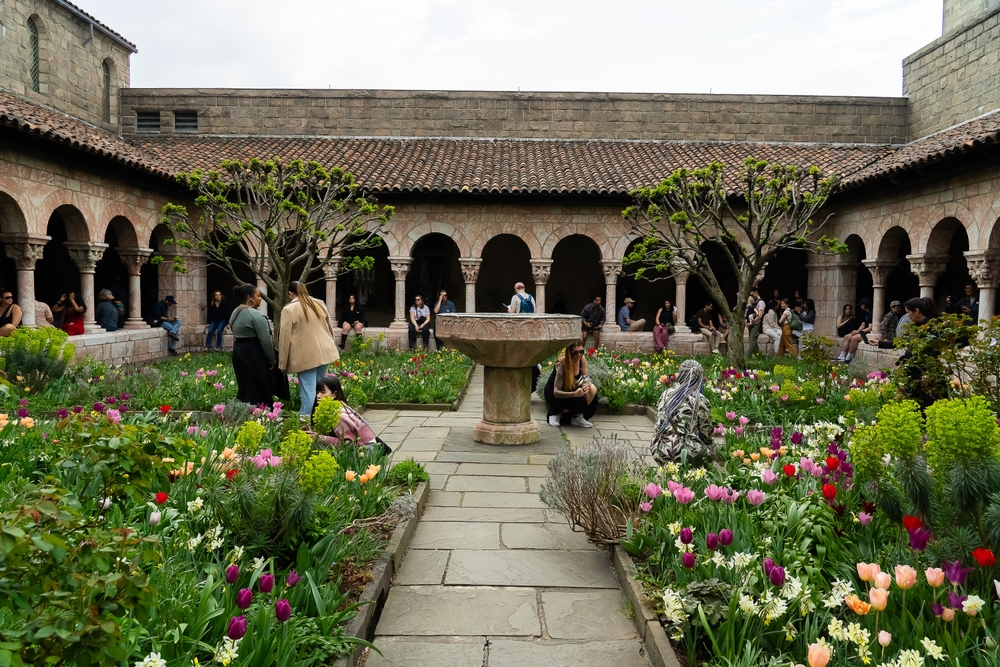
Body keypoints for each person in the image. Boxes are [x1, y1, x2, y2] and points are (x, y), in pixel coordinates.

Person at [279, 281, 340, 419]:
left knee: (308, 390)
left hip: (305, 355)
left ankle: (307, 420)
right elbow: (330, 327)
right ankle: (322, 417)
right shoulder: (319, 303)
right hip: (325, 350)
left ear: (290, 293)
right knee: (320, 389)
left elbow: (284, 338)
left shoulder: (289, 309)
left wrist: (282, 363)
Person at [649, 359, 713, 465]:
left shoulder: (666, 394)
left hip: (659, 448)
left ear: (681, 375)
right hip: (685, 452)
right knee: (710, 448)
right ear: (699, 378)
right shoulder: (700, 400)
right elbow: (706, 434)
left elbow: (658, 421)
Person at [313, 375, 391, 456]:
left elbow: (348, 444)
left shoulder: (339, 415)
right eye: (317, 392)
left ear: (334, 394)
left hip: (365, 450)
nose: (318, 396)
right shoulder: (335, 407)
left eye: (323, 392)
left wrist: (320, 438)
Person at [229, 283, 276, 407]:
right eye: (258, 296)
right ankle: (262, 410)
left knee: (245, 383)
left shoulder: (235, 312)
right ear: (250, 297)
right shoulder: (255, 315)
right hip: (254, 352)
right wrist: (272, 359)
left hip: (238, 350)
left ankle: (244, 408)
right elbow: (265, 340)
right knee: (259, 383)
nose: (260, 299)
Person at [543, 341, 598, 428]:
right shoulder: (561, 364)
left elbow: (586, 376)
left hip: (571, 389)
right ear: (569, 352)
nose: (579, 355)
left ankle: (577, 416)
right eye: (575, 352)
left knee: (592, 388)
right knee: (575, 396)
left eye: (581, 351)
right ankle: (555, 412)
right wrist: (574, 394)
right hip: (555, 394)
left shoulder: (581, 359)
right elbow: (556, 392)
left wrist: (585, 384)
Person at [836, 298, 872, 363]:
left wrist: (858, 332)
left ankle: (848, 357)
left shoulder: (871, 313)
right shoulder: (865, 314)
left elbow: (870, 328)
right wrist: (857, 331)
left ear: (863, 305)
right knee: (847, 336)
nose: (861, 306)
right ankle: (842, 355)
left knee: (854, 338)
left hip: (868, 333)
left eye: (861, 305)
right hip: (862, 331)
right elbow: (863, 325)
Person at [746, 288, 766, 356]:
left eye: (752, 294)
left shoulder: (761, 302)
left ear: (756, 292)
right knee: (753, 341)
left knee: (752, 341)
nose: (752, 296)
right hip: (752, 323)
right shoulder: (755, 302)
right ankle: (759, 357)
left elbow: (760, 316)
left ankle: (746, 357)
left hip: (756, 324)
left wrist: (752, 323)